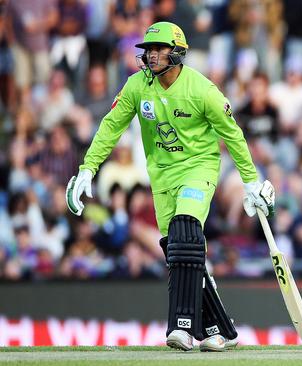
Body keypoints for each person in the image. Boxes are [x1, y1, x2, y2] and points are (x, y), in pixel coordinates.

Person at [64, 21, 275, 352]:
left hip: (198, 169)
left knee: (186, 231)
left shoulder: (202, 89)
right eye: (148, 50)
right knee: (178, 252)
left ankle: (182, 327)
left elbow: (232, 134)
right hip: (161, 177)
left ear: (177, 52)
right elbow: (110, 127)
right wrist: (87, 169)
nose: (151, 55)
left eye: (158, 49)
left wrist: (250, 180)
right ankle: (222, 329)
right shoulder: (137, 86)